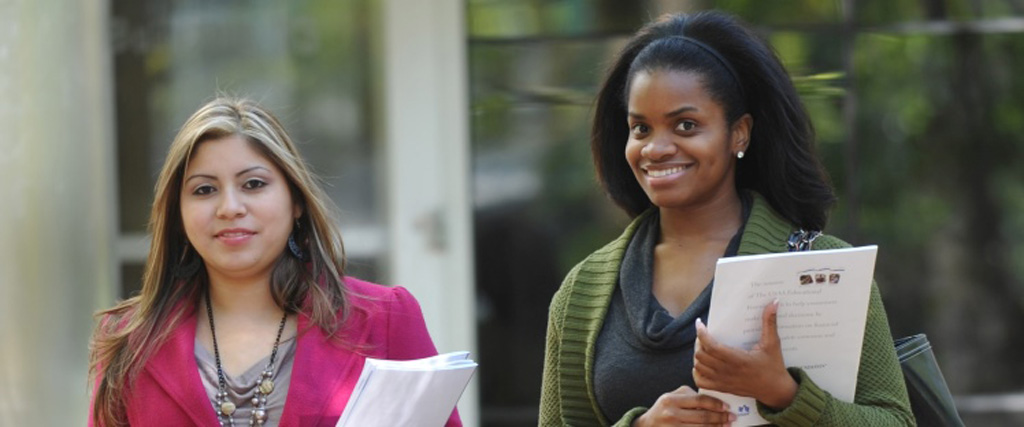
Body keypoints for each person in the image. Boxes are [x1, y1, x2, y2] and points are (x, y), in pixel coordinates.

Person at [538, 11, 914, 427]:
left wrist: (783, 393)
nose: (656, 148)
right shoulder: (582, 294)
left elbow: (896, 421)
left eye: (686, 125)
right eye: (640, 128)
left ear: (739, 133)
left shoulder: (823, 269)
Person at [88, 97, 461, 426]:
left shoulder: (385, 319)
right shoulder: (128, 341)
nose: (230, 208)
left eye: (253, 184)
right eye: (204, 190)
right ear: (178, 216)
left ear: (295, 201)